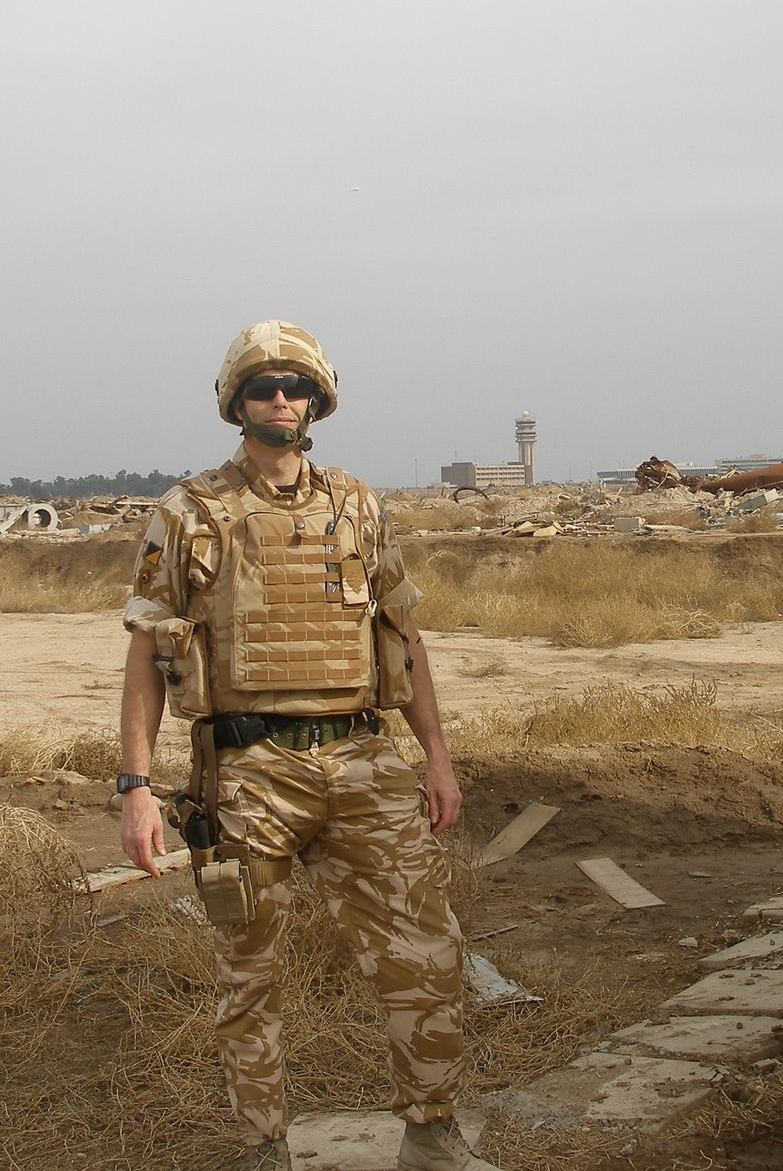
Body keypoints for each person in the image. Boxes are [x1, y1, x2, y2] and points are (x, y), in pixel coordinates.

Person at [118, 320, 503, 1171]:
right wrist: (135, 787)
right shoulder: (188, 512)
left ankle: (433, 1136)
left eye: (295, 386)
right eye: (263, 388)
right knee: (249, 974)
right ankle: (264, 1149)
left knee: (425, 953)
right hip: (249, 770)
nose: (281, 400)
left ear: (318, 399)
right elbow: (147, 651)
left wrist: (436, 759)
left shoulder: (358, 505)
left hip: (365, 761)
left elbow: (404, 637)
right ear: (238, 404)